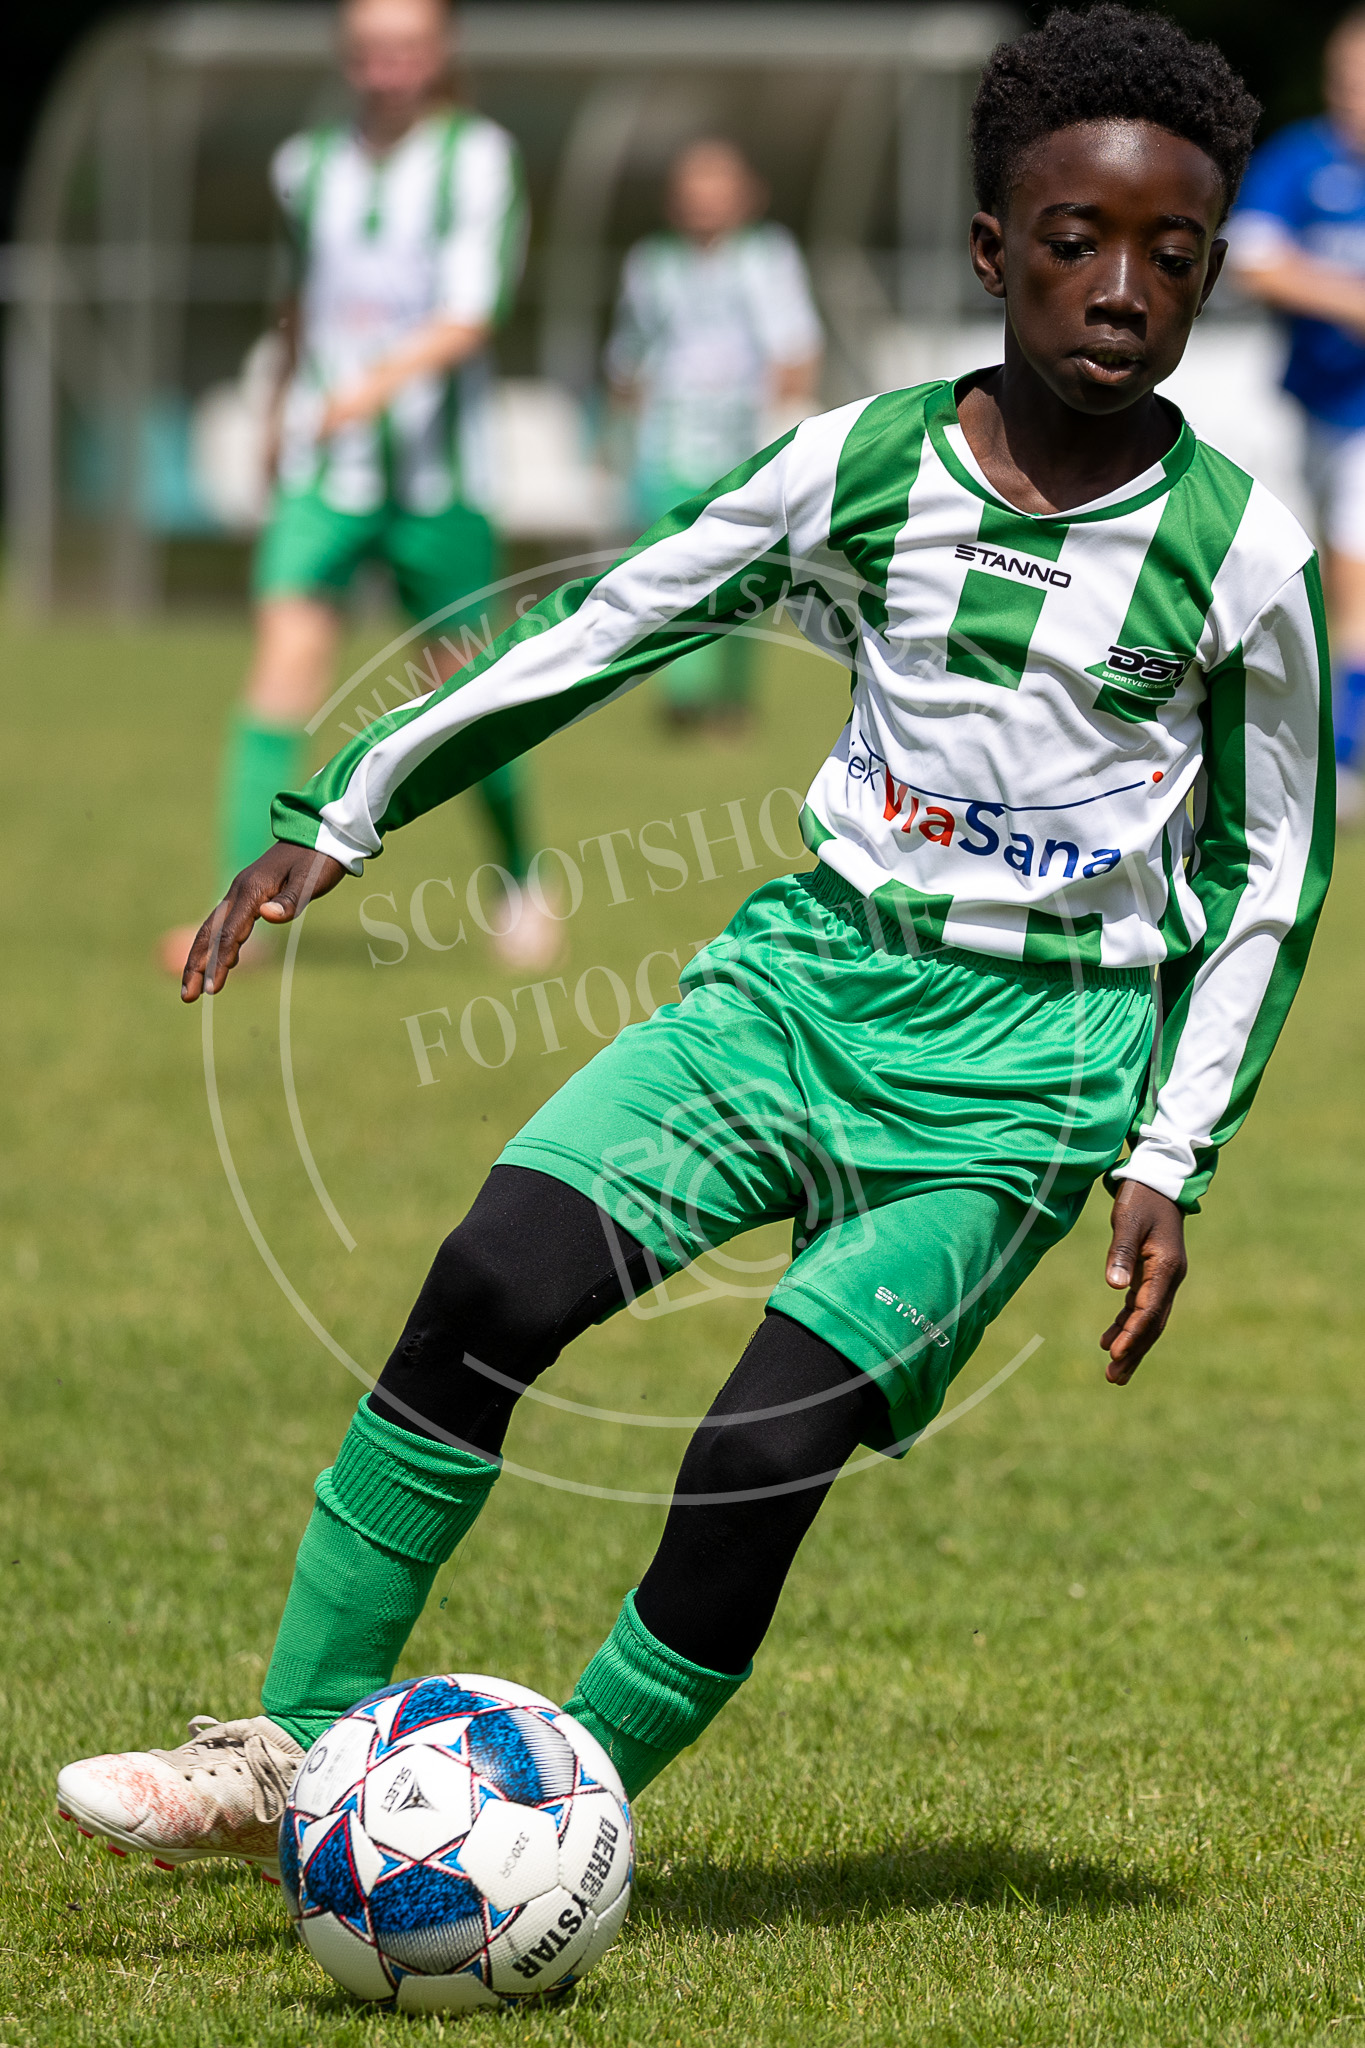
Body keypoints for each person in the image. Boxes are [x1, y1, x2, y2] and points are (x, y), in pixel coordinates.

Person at [59, 5, 1329, 1881]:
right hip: (793, 991)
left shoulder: (1242, 555)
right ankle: (294, 1754)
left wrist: (1169, 1149)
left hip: (1023, 1080)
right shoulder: (862, 464)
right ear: (994, 250)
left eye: (1174, 253)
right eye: (1076, 241)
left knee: (754, 1450)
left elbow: (1272, 870)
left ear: (1213, 271)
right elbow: (610, 620)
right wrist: (341, 811)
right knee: (491, 1284)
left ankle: (535, 1839)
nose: (1123, 290)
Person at [160, 0, 560, 975]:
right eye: (372, 51)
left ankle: (520, 879)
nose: (389, 68)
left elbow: (472, 313)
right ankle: (235, 913)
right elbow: (300, 300)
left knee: (465, 696)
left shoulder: (480, 160)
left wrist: (369, 390)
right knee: (279, 674)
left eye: (407, 49)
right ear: (348, 56)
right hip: (323, 475)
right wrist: (278, 415)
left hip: (437, 480)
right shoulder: (307, 166)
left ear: (439, 51)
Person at [605, 138, 823, 731]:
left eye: (717, 188)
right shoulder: (651, 263)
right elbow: (628, 355)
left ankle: (732, 699)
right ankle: (683, 698)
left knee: (745, 574)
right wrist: (616, 434)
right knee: (672, 568)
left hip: (745, 443)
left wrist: (785, 426)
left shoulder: (769, 257)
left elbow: (796, 347)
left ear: (746, 195)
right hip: (667, 443)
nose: (704, 202)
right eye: (692, 189)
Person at [1231, 6, 1365, 819]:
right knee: (1305, 575)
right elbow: (1251, 257)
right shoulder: (1303, 158)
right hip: (1310, 407)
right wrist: (1346, 298)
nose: (1351, 96)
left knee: (1353, 576)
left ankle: (1344, 758)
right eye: (1341, 81)